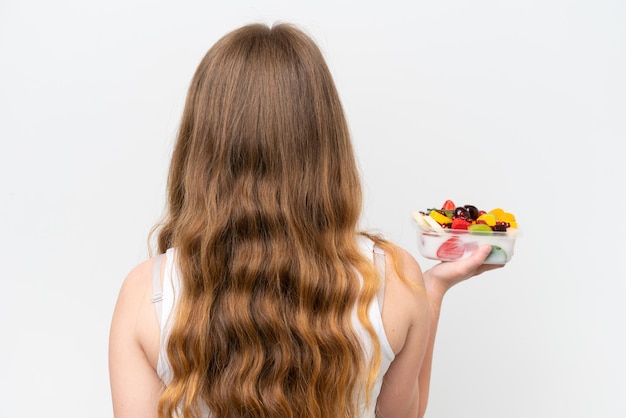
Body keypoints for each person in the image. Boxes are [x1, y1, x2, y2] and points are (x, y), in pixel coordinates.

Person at [108, 22, 503, 418]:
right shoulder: (397, 277)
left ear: (200, 147)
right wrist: (430, 290)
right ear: (326, 140)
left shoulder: (146, 292)